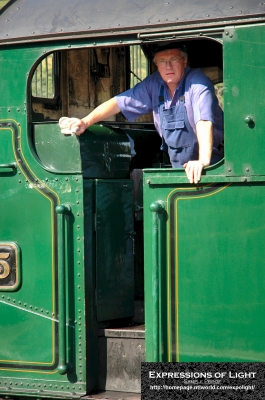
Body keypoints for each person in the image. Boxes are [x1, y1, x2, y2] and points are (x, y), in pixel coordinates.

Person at [61, 43, 224, 184]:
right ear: (156, 64)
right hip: (179, 168)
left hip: (214, 167)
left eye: (174, 59)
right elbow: (119, 102)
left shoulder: (197, 82)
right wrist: (85, 122)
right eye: (162, 61)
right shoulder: (154, 83)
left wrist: (202, 161)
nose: (168, 66)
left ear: (185, 61)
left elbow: (203, 120)